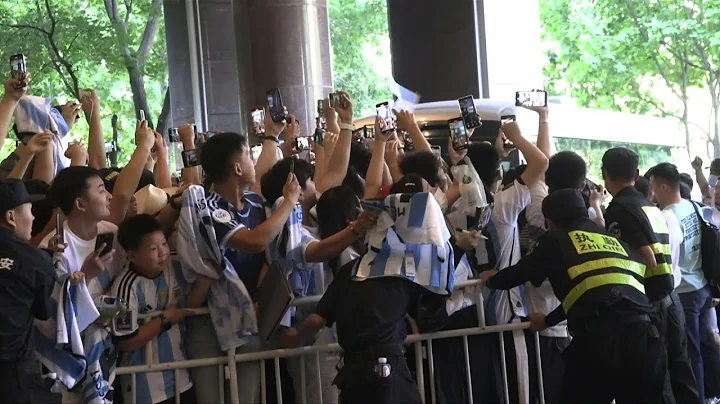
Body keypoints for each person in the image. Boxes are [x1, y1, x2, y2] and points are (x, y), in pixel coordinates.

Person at [480, 189, 668, 403]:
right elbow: (590, 292)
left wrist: (490, 279)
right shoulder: (613, 241)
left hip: (601, 343)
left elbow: (518, 274)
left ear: (549, 221)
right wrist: (548, 321)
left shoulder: (556, 240)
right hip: (646, 337)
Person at [281, 176, 453, 404]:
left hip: (353, 375)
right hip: (389, 371)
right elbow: (429, 317)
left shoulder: (351, 270)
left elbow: (315, 320)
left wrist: (290, 338)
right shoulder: (404, 272)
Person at [602, 148, 699, 403]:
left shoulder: (619, 209)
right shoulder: (649, 204)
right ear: (636, 174)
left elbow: (646, 257)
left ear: (604, 174)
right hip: (671, 300)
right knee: (681, 374)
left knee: (655, 383)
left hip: (649, 306)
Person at [647, 162, 720, 401]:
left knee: (691, 352)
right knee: (707, 345)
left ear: (664, 186)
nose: (652, 194)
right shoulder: (693, 206)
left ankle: (697, 397)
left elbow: (668, 259)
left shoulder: (666, 217)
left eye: (654, 188)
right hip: (702, 285)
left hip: (685, 291)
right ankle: (712, 394)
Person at [110, 214, 194, 404]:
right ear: (131, 255)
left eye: (164, 244)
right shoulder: (125, 287)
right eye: (153, 248)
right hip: (144, 384)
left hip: (181, 376)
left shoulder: (175, 264)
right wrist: (165, 319)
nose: (163, 252)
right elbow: (126, 342)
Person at [0, 179, 58, 403]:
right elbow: (41, 310)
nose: (33, 217)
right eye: (29, 211)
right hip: (15, 376)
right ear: (11, 217)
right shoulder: (34, 261)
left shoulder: (36, 259)